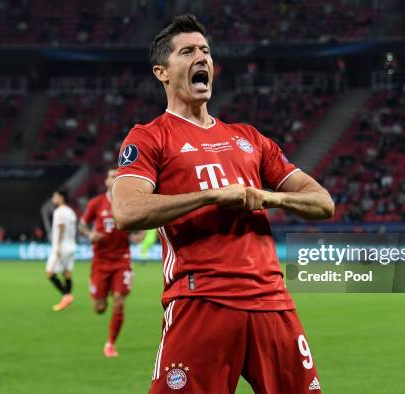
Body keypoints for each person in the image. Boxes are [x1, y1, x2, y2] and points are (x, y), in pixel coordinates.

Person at [111, 15, 334, 393]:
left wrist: (267, 197)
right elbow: (127, 212)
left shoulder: (248, 138)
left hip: (273, 302)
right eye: (188, 52)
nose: (201, 57)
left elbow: (322, 202)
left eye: (205, 51)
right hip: (202, 299)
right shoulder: (149, 137)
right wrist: (212, 196)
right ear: (162, 72)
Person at [79, 166, 145, 357]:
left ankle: (110, 344)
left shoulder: (128, 203)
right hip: (100, 261)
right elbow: (82, 225)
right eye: (111, 176)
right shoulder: (96, 203)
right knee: (99, 308)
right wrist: (90, 234)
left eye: (118, 176)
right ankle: (103, 291)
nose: (114, 178)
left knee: (119, 302)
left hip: (122, 260)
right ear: (106, 181)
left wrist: (140, 234)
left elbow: (144, 222)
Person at [46, 188, 77, 312]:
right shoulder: (71, 212)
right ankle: (67, 297)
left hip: (62, 247)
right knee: (67, 273)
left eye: (55, 196)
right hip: (71, 246)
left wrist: (57, 246)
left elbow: (61, 227)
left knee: (50, 273)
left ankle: (66, 296)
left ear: (61, 197)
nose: (53, 199)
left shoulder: (59, 212)